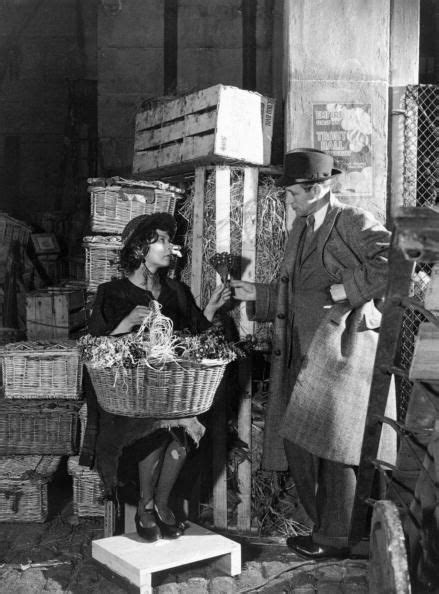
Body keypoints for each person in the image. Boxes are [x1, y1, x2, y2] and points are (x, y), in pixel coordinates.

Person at [231, 148, 396, 558]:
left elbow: (397, 259)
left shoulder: (351, 221)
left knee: (337, 445)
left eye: (293, 194)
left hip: (343, 351)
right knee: (302, 441)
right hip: (301, 349)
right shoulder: (301, 228)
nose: (288, 201)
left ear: (319, 188)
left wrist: (350, 289)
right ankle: (326, 529)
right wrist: (260, 295)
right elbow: (299, 291)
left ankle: (341, 539)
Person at [80, 212, 230, 542]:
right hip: (129, 398)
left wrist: (210, 310)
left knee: (184, 424)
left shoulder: (176, 291)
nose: (168, 246)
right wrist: (125, 324)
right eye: (160, 240)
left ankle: (160, 502)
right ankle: (147, 505)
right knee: (157, 427)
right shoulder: (112, 292)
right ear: (138, 248)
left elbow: (194, 337)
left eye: (169, 240)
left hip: (172, 391)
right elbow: (94, 349)